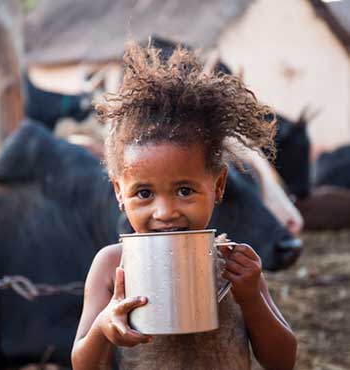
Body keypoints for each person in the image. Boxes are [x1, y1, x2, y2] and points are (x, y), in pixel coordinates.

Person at [71, 41, 297, 370]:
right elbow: (82, 363)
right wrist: (104, 326)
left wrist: (250, 298)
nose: (165, 212)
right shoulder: (111, 267)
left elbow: (282, 361)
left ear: (218, 186)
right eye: (144, 193)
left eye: (185, 190)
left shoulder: (235, 264)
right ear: (119, 192)